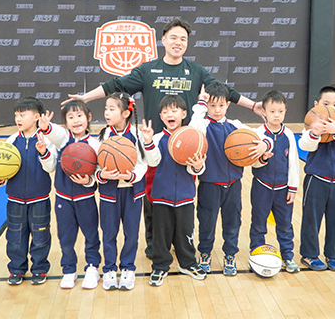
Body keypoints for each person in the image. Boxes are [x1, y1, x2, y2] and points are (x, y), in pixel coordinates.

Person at [61, 18, 264, 259]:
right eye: (174, 37)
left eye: (183, 39)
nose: (178, 42)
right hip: (154, 145)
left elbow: (223, 91)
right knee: (153, 197)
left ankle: (181, 241)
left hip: (186, 148)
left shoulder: (196, 71)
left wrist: (253, 106)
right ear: (163, 40)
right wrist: (86, 98)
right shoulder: (148, 70)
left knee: (183, 199)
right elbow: (117, 84)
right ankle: (155, 242)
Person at [189, 82, 268, 276]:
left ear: (228, 105)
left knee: (232, 223)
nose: (217, 110)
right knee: (206, 223)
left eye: (221, 105)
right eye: (212, 105)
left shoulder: (237, 126)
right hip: (209, 185)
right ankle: (205, 253)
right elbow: (193, 129)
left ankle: (230, 255)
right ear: (207, 106)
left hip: (233, 185)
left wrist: (265, 145)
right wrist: (200, 104)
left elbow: (262, 135)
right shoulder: (203, 125)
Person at [0, 97, 57, 286]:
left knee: (41, 237)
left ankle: (39, 269)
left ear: (36, 117)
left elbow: (51, 167)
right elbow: (4, 171)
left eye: (23, 115)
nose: (18, 118)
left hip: (40, 199)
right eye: (16, 115)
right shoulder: (11, 141)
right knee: (15, 237)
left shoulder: (46, 140)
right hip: (15, 200)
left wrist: (43, 152)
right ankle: (17, 269)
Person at [141, 95, 207, 286]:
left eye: (174, 110)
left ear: (183, 114)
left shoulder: (191, 136)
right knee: (161, 235)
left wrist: (198, 166)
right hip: (162, 196)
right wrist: (147, 142)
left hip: (185, 196)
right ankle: (160, 266)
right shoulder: (157, 138)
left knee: (186, 233)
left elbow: (195, 169)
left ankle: (188, 263)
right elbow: (153, 161)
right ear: (161, 117)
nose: (170, 114)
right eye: (165, 112)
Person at [38, 101, 102, 289]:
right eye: (70, 117)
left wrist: (89, 181)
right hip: (63, 199)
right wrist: (46, 129)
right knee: (65, 237)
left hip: (86, 199)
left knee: (91, 235)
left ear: (89, 117)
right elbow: (55, 133)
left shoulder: (95, 144)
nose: (76, 120)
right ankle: (68, 270)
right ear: (65, 122)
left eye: (79, 116)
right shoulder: (63, 140)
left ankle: (92, 268)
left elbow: (99, 172)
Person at [298, 86, 335, 271]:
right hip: (317, 179)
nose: (331, 107)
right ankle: (309, 255)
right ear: (316, 105)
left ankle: (333, 255)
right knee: (311, 219)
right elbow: (305, 145)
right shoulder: (310, 125)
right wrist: (315, 133)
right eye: (326, 103)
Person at [95, 92, 147, 291]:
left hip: (132, 192)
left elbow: (143, 164)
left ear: (125, 113)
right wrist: (102, 175)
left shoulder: (137, 135)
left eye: (111, 109)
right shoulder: (103, 135)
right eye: (105, 109)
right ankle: (109, 268)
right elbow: (96, 164)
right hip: (109, 193)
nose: (106, 113)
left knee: (131, 233)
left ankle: (128, 268)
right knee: (109, 232)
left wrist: (132, 176)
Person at [250, 90, 301, 273]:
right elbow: (253, 163)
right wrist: (262, 158)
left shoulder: (289, 135)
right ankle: (256, 254)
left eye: (280, 111)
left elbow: (293, 163)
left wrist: (293, 188)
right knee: (258, 223)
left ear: (285, 111)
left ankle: (287, 256)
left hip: (283, 189)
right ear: (264, 112)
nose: (276, 115)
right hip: (261, 186)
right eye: (272, 111)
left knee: (285, 225)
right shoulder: (257, 134)